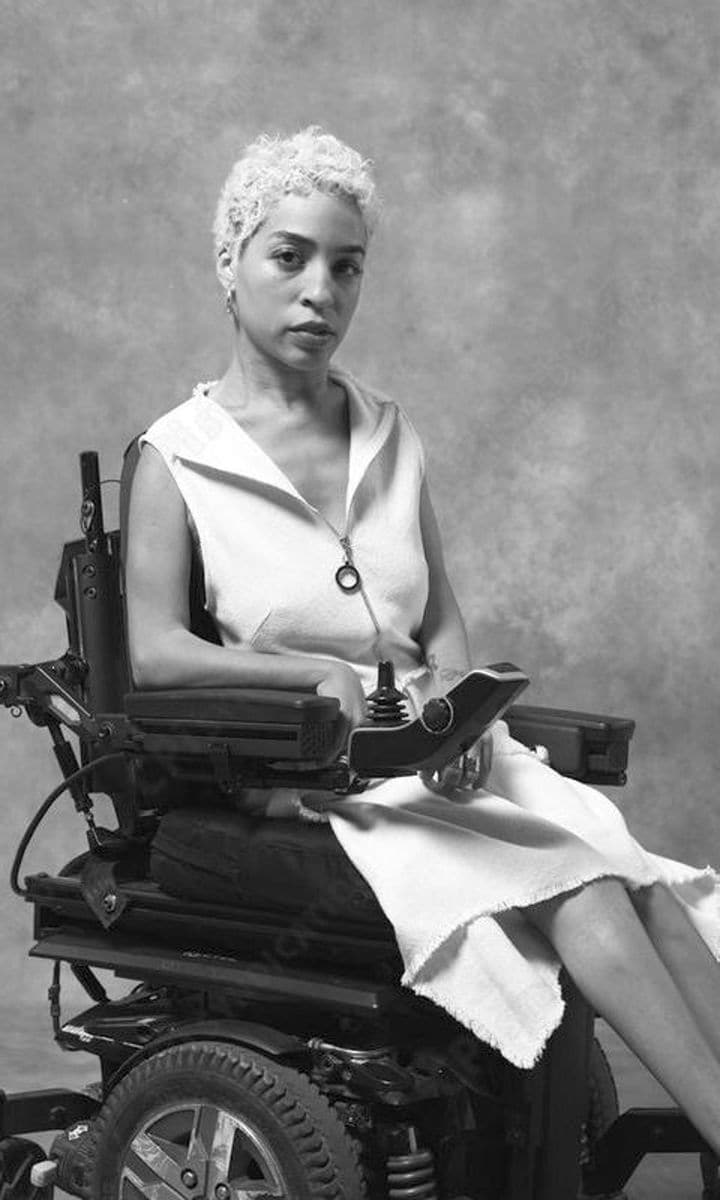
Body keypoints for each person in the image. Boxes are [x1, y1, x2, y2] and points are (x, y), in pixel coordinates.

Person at [126, 126, 720, 1151]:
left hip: (439, 756)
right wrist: (309, 672)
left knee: (646, 885)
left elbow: (440, 620)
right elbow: (154, 653)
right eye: (290, 257)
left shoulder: (388, 432)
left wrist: (460, 705)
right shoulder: (177, 457)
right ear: (229, 261)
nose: (321, 292)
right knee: (582, 889)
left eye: (346, 267)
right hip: (320, 778)